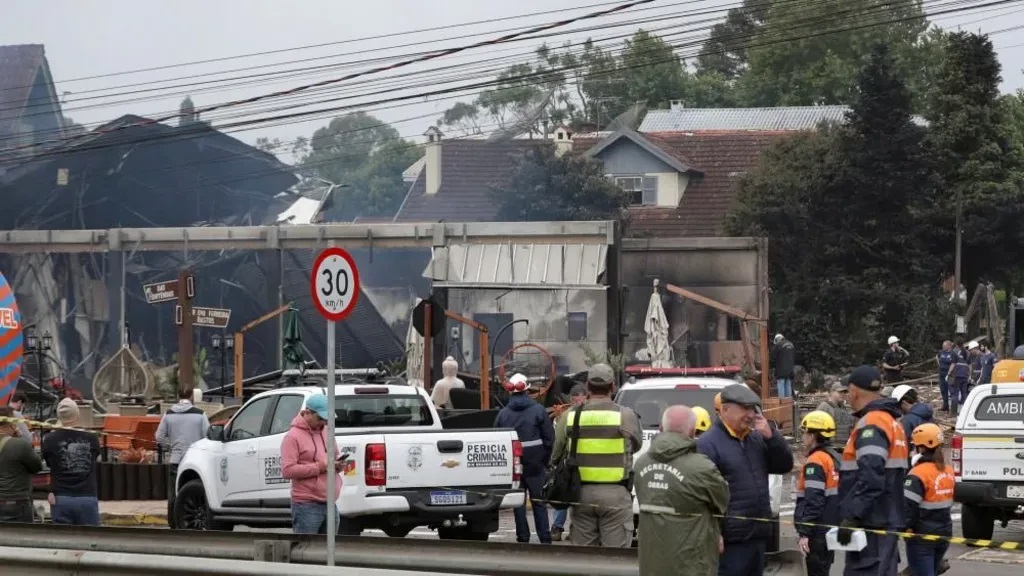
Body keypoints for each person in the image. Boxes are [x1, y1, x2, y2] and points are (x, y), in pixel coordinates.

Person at [697, 384, 794, 576]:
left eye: (753, 409)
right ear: (724, 410)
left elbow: (784, 466)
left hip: (757, 536)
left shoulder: (756, 439)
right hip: (730, 540)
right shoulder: (708, 444)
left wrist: (772, 437)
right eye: (744, 408)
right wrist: (714, 533)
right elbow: (702, 496)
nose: (750, 415)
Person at [550, 363, 642, 548]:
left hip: (581, 494)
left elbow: (556, 454)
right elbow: (637, 445)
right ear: (613, 386)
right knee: (615, 558)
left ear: (588, 387)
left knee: (586, 561)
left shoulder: (570, 416)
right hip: (616, 494)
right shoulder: (625, 416)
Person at [634, 405, 729, 576]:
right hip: (692, 563)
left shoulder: (641, 464)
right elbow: (722, 500)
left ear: (661, 429)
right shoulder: (702, 468)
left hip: (651, 563)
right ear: (693, 432)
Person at [836, 365, 908, 576]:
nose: (847, 397)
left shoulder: (871, 424)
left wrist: (853, 516)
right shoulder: (892, 422)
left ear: (854, 391)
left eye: (848, 392)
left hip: (872, 521)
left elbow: (871, 476)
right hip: (886, 518)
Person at [494, 373, 554, 544]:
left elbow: (497, 441)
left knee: (518, 504)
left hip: (514, 467)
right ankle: (545, 538)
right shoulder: (539, 411)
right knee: (539, 502)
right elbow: (549, 439)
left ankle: (523, 538)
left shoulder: (503, 414)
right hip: (536, 465)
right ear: (526, 390)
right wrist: (544, 461)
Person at [281, 393, 342, 534]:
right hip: (306, 505)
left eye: (326, 419)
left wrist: (338, 465)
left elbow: (334, 456)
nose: (324, 422)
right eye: (320, 418)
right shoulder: (292, 437)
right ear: (307, 413)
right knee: (307, 551)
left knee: (329, 552)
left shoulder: (327, 432)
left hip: (330, 501)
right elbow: (287, 470)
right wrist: (320, 467)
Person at [904, 424, 954, 576]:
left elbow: (908, 508)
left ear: (921, 447)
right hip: (944, 532)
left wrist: (902, 529)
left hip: (922, 536)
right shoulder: (948, 471)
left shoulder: (918, 474)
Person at [41, 399, 101, 526]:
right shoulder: (92, 437)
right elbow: (94, 459)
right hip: (87, 495)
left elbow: (49, 464)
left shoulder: (49, 439)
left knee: (63, 542)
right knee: (90, 541)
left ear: (58, 416)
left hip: (60, 497)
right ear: (77, 414)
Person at [795, 411, 840, 576]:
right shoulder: (833, 457)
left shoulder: (816, 461)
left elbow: (814, 500)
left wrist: (805, 532)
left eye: (805, 432)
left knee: (816, 570)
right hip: (829, 526)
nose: (803, 436)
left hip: (817, 531)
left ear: (813, 435)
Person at [156, 387, 210, 526]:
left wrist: (171, 447)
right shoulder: (200, 414)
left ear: (178, 395)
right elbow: (208, 436)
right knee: (195, 491)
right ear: (192, 396)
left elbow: (159, 436)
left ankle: (173, 523)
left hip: (176, 459)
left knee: (173, 493)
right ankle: (195, 519)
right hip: (195, 462)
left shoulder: (168, 414)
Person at [551, 383, 587, 541]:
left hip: (569, 462)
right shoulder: (593, 414)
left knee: (563, 494)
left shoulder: (567, 416)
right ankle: (574, 530)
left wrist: (554, 461)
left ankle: (557, 528)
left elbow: (559, 441)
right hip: (589, 464)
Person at [0, 405, 43, 523]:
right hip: (15, 502)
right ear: (10, 423)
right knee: (22, 537)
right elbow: (37, 466)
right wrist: (20, 437)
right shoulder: (19, 445)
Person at [816, 380, 854, 446]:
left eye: (845, 392)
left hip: (843, 446)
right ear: (832, 392)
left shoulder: (843, 408)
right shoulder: (824, 407)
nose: (843, 394)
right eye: (840, 392)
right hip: (829, 446)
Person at [947, 342, 970, 416]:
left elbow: (953, 363)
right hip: (965, 374)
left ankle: (954, 412)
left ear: (956, 345)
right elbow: (970, 364)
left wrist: (948, 373)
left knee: (955, 393)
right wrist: (969, 374)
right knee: (964, 393)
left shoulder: (954, 352)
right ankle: (964, 412)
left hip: (956, 374)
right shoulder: (967, 352)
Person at [770, 334, 796, 398]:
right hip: (790, 369)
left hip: (781, 370)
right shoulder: (791, 345)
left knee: (781, 384)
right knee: (788, 384)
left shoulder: (778, 345)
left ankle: (782, 403)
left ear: (777, 339)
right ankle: (788, 404)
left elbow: (772, 357)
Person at [935, 342, 956, 412]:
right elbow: (936, 356)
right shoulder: (941, 352)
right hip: (941, 373)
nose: (943, 347)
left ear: (949, 346)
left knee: (950, 390)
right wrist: (939, 364)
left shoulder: (952, 353)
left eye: (944, 346)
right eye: (943, 346)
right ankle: (945, 405)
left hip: (949, 374)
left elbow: (953, 363)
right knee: (943, 389)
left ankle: (951, 407)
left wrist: (949, 372)